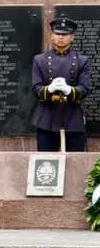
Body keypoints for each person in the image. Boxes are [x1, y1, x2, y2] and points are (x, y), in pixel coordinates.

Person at [32, 16, 92, 152]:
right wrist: (49, 89)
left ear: (72, 37)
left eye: (65, 34)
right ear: (52, 36)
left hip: (73, 118)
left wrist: (69, 90)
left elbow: (84, 88)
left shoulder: (82, 60)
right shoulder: (40, 60)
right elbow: (36, 87)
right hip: (47, 119)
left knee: (76, 161)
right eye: (57, 33)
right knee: (46, 160)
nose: (61, 37)